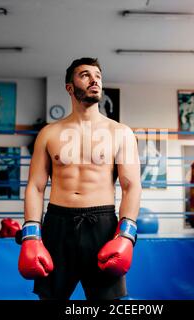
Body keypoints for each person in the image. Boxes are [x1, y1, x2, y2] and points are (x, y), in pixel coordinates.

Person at [18, 57, 142, 300]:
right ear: (69, 87)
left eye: (97, 75)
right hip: (58, 223)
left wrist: (126, 234)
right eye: (85, 75)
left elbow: (131, 186)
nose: (94, 79)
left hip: (102, 225)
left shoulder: (121, 133)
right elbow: (35, 186)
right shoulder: (49, 133)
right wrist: (32, 235)